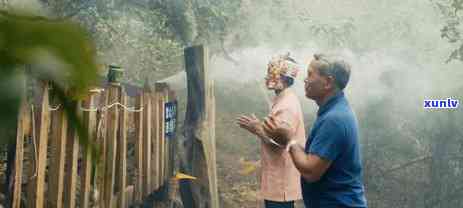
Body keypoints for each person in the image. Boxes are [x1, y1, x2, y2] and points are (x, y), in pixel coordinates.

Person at [262, 54, 367, 208]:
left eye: (310, 74)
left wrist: (289, 140)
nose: (305, 80)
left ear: (328, 82)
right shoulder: (333, 112)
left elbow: (311, 172)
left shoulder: (335, 119)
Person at [236, 53, 306, 208]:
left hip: (281, 183)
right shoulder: (283, 99)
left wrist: (257, 130)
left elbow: (282, 144)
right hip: (279, 179)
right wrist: (259, 128)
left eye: (274, 74)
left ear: (287, 79)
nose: (268, 77)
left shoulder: (286, 106)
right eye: (268, 73)